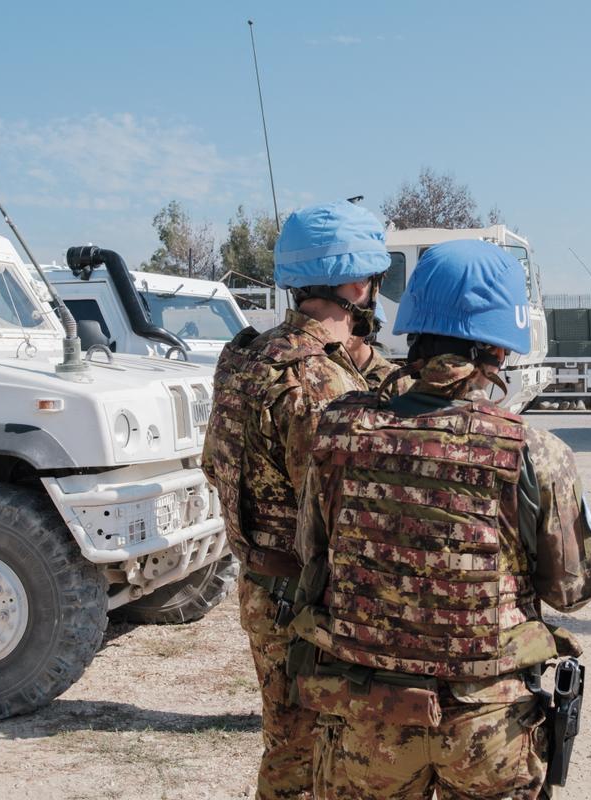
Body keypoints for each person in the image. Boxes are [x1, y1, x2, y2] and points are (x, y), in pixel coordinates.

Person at [289, 239, 591, 800]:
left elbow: (313, 558)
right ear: (498, 352)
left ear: (412, 333)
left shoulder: (338, 430)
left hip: (366, 715)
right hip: (489, 727)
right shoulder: (535, 450)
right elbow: (572, 591)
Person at [201, 199, 390, 800]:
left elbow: (217, 463)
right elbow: (339, 511)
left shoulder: (247, 355)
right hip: (308, 599)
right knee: (312, 754)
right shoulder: (318, 383)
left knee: (288, 740)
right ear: (360, 284)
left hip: (263, 582)